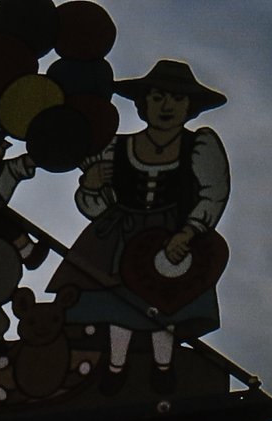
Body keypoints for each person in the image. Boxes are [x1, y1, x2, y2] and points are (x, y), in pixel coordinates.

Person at [54, 59, 230, 394]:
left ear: (189, 108)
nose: (167, 106)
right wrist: (91, 186)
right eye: (159, 97)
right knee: (121, 305)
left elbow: (213, 193)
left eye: (177, 100)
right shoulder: (115, 147)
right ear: (143, 103)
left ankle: (163, 366)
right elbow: (96, 208)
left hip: (171, 237)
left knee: (166, 304)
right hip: (123, 235)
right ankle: (116, 366)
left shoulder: (200, 146)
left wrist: (188, 232)